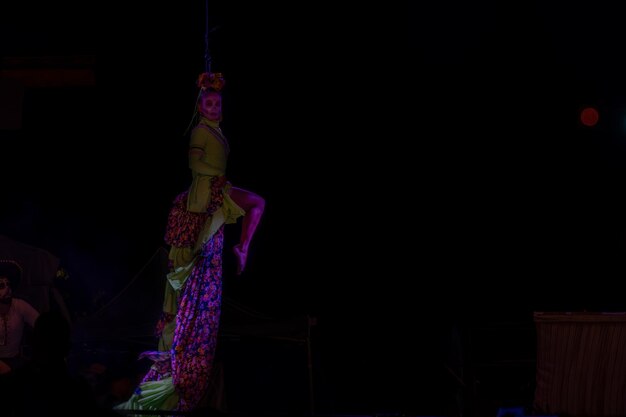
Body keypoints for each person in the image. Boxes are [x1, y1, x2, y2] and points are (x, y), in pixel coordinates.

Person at [116, 72, 265, 413]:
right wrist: (216, 181)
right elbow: (195, 162)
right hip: (206, 194)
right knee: (199, 253)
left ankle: (242, 247)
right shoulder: (200, 131)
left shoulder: (218, 131)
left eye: (217, 103)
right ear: (200, 107)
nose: (213, 106)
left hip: (217, 189)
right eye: (208, 102)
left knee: (257, 203)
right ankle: (173, 360)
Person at [0, 260, 40, 376]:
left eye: (8, 284)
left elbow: (42, 324)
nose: (7, 289)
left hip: (15, 361)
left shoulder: (19, 305)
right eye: (1, 286)